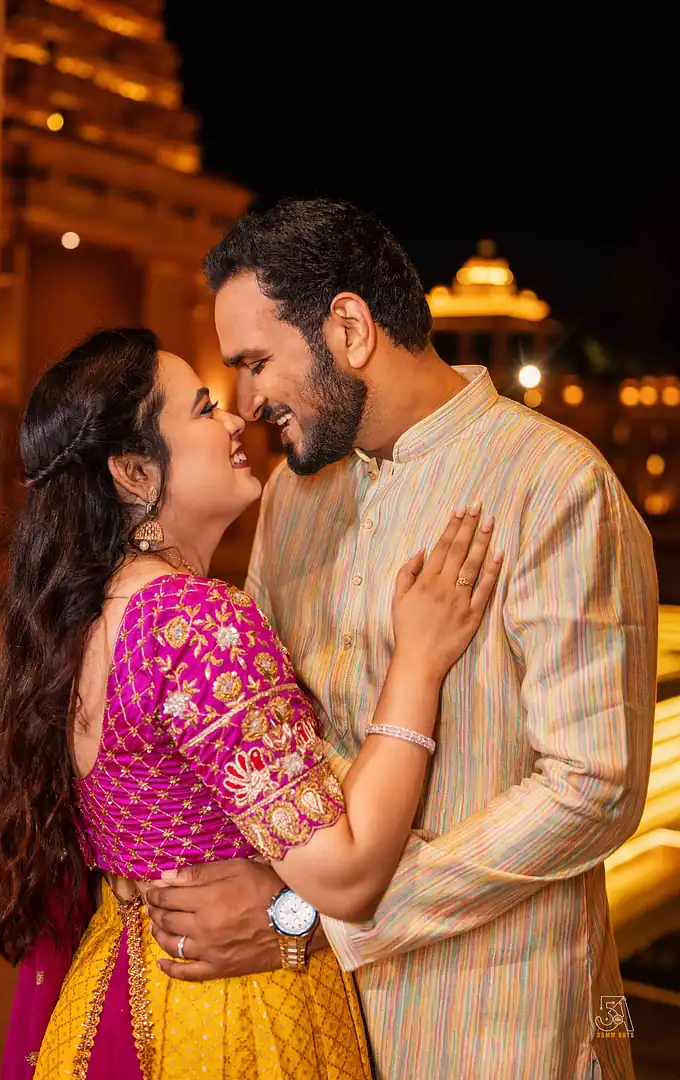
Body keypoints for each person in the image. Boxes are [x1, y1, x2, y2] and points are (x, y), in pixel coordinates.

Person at [147, 199, 659, 1080]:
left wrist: (313, 921)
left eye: (258, 363)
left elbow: (592, 789)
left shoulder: (553, 485)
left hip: (502, 1030)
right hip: (314, 1028)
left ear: (348, 328)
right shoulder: (294, 498)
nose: (248, 402)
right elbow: (273, 740)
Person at [0, 327, 501, 1080]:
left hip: (115, 988)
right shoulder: (193, 620)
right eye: (202, 410)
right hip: (229, 1016)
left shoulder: (86, 616)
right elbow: (346, 873)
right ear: (135, 471)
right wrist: (417, 663)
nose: (235, 419)